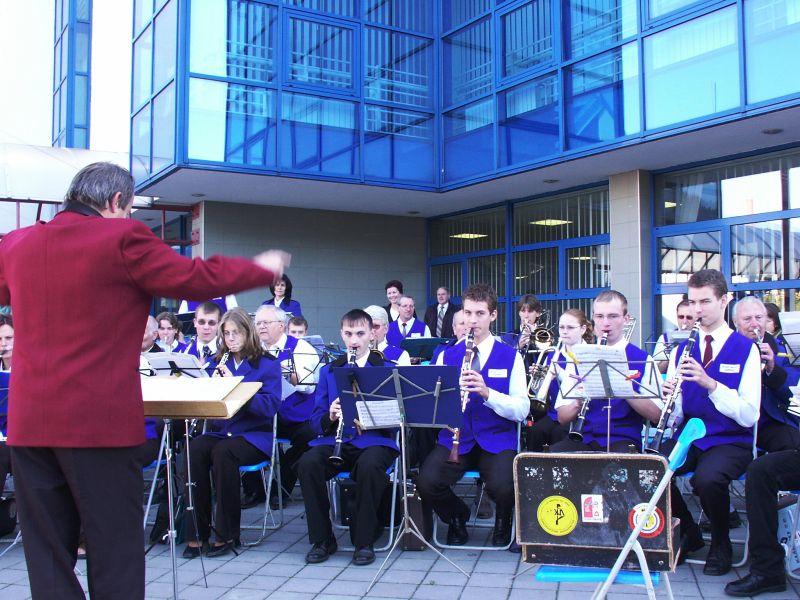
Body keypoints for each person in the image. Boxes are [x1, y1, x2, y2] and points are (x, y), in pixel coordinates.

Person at [0, 161, 290, 599]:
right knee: (113, 547)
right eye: (129, 207)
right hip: (97, 423)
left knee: (47, 554)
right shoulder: (121, 238)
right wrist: (259, 269)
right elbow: (194, 279)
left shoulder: (18, 242)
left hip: (28, 424)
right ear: (117, 201)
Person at [661, 269, 759, 576]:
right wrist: (669, 399)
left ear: (724, 301)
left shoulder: (746, 349)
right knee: (652, 468)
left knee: (707, 479)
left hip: (731, 439)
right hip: (690, 435)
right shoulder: (682, 349)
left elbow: (749, 414)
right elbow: (677, 414)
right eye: (692, 302)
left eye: (705, 302)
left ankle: (721, 541)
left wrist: (712, 385)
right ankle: (689, 532)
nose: (697, 310)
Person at [416, 284, 528, 548]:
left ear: (493, 315)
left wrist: (488, 394)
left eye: (480, 313)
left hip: (496, 439)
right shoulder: (446, 354)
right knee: (426, 481)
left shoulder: (511, 356)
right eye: (468, 313)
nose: (472, 320)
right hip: (457, 438)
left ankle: (503, 521)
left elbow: (522, 410)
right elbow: (430, 405)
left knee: (504, 484)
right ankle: (457, 516)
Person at [296, 309, 399, 567]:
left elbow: (399, 420)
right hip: (336, 441)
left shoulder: (387, 369)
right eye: (349, 334)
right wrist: (330, 416)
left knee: (369, 466)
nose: (354, 340)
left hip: (374, 441)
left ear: (372, 334)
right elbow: (315, 421)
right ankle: (322, 539)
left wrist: (369, 415)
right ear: (342, 334)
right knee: (308, 463)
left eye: (360, 333)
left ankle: (364, 541)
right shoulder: (329, 371)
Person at [182, 308, 282, 558]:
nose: (231, 339)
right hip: (222, 431)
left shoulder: (267, 364)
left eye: (236, 333)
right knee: (194, 449)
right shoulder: (219, 361)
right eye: (226, 334)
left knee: (223, 453)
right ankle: (196, 533)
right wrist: (210, 386)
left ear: (248, 332)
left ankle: (227, 534)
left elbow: (269, 407)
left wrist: (235, 385)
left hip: (253, 435)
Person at [551, 291, 660, 453]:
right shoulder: (580, 356)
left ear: (626, 319)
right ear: (593, 319)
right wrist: (577, 402)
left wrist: (626, 390)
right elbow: (562, 417)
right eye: (600, 316)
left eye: (613, 316)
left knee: (614, 464)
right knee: (551, 459)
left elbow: (657, 415)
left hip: (623, 440)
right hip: (583, 438)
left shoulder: (643, 359)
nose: (605, 323)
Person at [254, 304, 319, 508]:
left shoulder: (301, 348)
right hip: (263, 412)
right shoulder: (253, 349)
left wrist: (287, 373)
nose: (261, 327)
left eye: (266, 322)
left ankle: (281, 488)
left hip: (294, 413)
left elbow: (309, 386)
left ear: (281, 326)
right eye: (258, 323)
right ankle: (253, 490)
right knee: (242, 431)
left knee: (309, 435)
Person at [732, 296, 800, 452]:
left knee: (793, 446)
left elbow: (792, 394)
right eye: (747, 319)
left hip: (770, 420)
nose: (754, 324)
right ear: (736, 322)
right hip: (736, 422)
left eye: (759, 318)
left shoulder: (782, 349)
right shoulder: (728, 348)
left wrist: (772, 368)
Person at [525, 309, 591, 452]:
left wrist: (561, 374)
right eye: (561, 327)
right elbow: (542, 392)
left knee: (559, 433)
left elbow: (586, 386)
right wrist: (539, 377)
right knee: (536, 431)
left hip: (581, 415)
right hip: (554, 413)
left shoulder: (590, 354)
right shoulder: (552, 354)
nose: (564, 332)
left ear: (583, 329)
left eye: (570, 328)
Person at [652, 299, 695, 373]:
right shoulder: (665, 338)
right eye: (681, 317)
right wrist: (670, 354)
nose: (684, 321)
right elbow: (656, 371)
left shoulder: (703, 338)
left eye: (689, 317)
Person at [182, 301, 222, 365]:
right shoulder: (183, 352)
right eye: (201, 322)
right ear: (195, 323)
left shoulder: (228, 352)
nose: (206, 327)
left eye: (211, 323)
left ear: (219, 324)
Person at [0, 316, 12, 497]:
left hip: (22, 439)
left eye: (9, 338)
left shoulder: (30, 371)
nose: (3, 344)